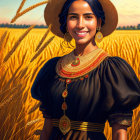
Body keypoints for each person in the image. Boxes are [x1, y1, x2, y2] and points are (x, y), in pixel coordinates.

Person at [31, 0, 140, 139]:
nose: (80, 24)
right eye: (73, 17)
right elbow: (47, 126)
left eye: (88, 17)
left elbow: (119, 132)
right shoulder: (52, 67)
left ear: (99, 23)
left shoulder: (112, 69)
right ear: (66, 21)